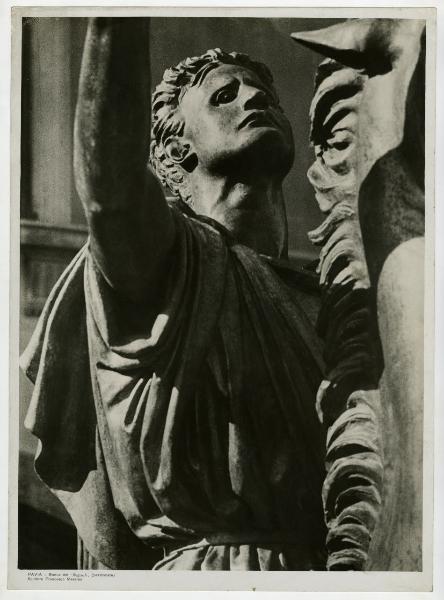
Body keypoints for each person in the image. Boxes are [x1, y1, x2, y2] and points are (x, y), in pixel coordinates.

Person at [21, 17, 327, 570]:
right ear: (173, 149)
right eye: (224, 95)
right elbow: (107, 187)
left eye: (263, 92)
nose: (255, 95)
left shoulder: (333, 306)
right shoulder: (164, 266)